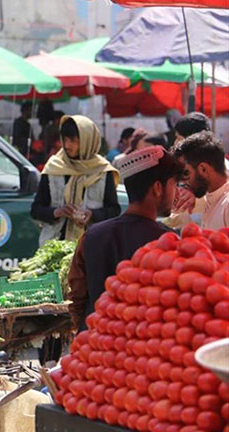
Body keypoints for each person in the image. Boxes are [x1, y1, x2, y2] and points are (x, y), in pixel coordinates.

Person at [67, 147, 183, 331]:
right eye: (174, 185)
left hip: (96, 345)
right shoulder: (168, 240)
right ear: (158, 188)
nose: (177, 193)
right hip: (147, 347)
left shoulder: (91, 235)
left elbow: (77, 294)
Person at [31, 115, 120, 247]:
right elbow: (36, 209)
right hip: (54, 245)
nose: (66, 145)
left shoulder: (102, 170)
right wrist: (57, 212)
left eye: (73, 140)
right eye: (64, 140)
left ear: (87, 141)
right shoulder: (54, 167)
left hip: (92, 245)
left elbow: (114, 210)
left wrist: (92, 215)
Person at [167, 132, 229, 230]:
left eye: (185, 173)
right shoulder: (211, 198)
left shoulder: (226, 205)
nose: (182, 181)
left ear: (203, 169)